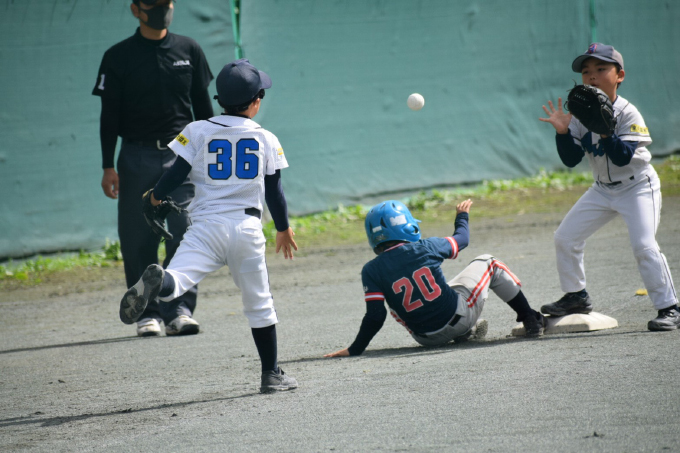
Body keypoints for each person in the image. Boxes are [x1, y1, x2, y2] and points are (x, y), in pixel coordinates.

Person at [119, 58, 299, 393]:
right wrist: (283, 228)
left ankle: (161, 282)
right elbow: (274, 190)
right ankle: (271, 374)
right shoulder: (266, 138)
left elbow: (175, 172)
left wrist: (156, 197)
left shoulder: (197, 129)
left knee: (179, 278)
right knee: (259, 303)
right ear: (256, 100)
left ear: (219, 99)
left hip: (205, 227)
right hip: (246, 229)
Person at [92, 0, 214, 337]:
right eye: (152, 3)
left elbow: (203, 109)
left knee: (186, 231)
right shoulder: (117, 56)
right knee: (137, 237)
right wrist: (107, 165)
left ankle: (180, 310)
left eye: (167, 2)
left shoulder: (189, 49)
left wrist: (208, 157)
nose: (162, 7)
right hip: (135, 157)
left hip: (183, 157)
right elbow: (108, 117)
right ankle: (148, 314)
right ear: (135, 9)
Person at [539, 43, 679, 331]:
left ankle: (670, 308)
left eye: (601, 69)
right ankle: (576, 295)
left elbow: (622, 156)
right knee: (565, 237)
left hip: (638, 186)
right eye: (586, 71)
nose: (592, 76)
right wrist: (563, 132)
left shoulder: (628, 112)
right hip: (602, 189)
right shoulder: (580, 114)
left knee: (644, 245)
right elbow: (571, 159)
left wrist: (604, 129)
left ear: (620, 75)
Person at [324, 199, 545, 358]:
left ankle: (466, 332)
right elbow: (462, 239)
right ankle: (530, 319)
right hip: (458, 316)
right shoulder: (425, 247)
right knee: (490, 262)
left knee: (391, 296)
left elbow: (375, 315)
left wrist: (355, 349)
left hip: (424, 338)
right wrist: (462, 216)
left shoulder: (371, 269)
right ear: (405, 225)